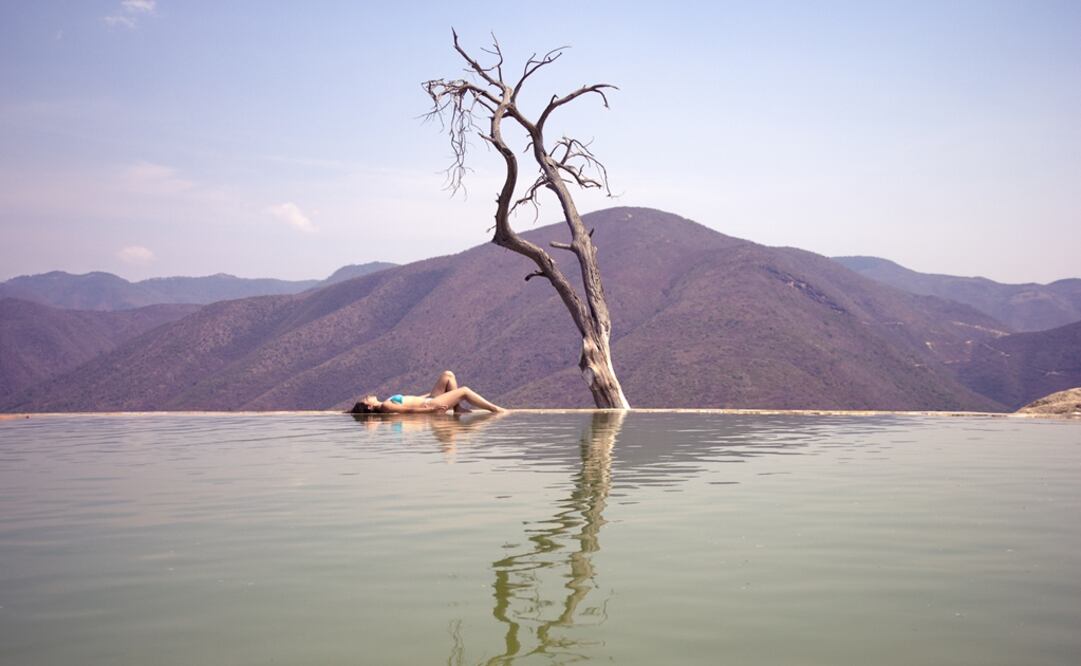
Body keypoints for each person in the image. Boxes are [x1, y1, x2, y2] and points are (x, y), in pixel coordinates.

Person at [351, 370, 506, 414]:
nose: (368, 396)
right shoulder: (385, 406)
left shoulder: (386, 402)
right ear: (370, 407)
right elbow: (409, 410)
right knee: (464, 390)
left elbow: (412, 399)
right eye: (366, 399)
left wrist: (430, 394)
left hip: (429, 399)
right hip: (429, 405)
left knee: (448, 375)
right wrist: (432, 409)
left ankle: (457, 408)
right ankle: (496, 409)